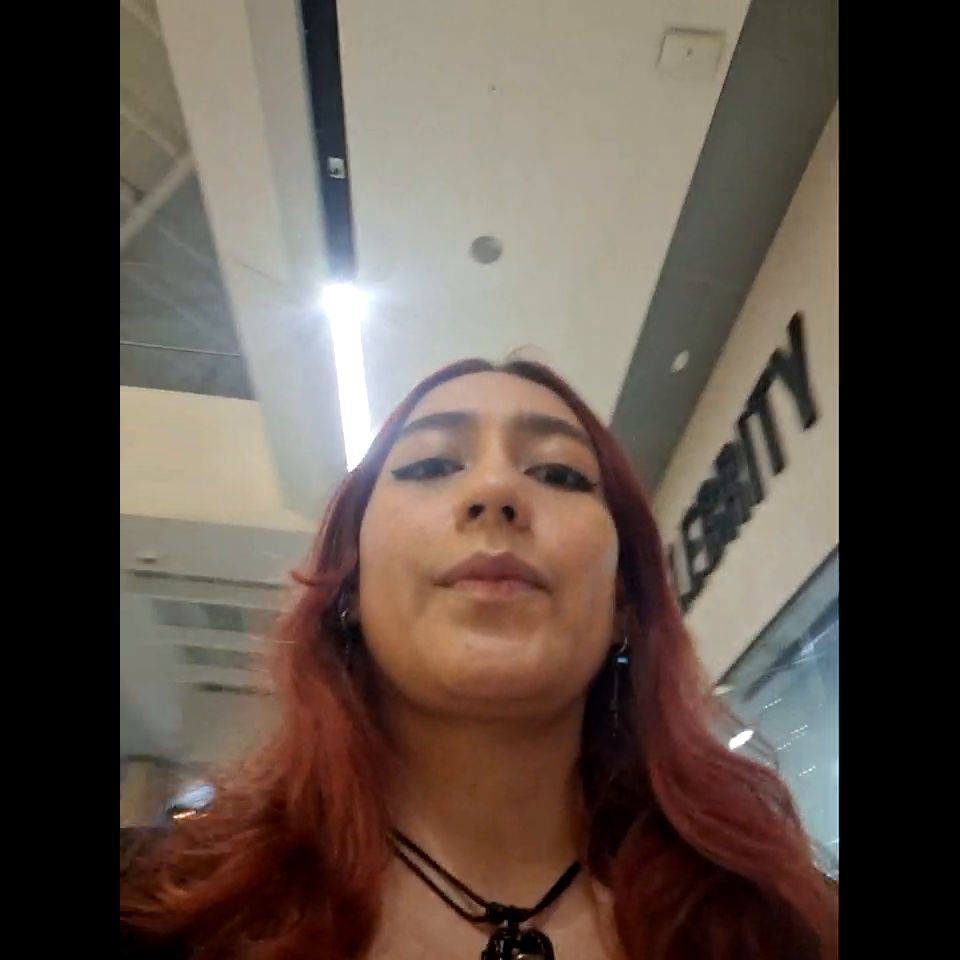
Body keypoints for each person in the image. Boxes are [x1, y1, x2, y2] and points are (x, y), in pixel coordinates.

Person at [121, 358, 838, 959]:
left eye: (559, 474)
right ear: (350, 587)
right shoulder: (157, 908)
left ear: (625, 601)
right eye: (430, 464)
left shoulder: (787, 926)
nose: (495, 491)